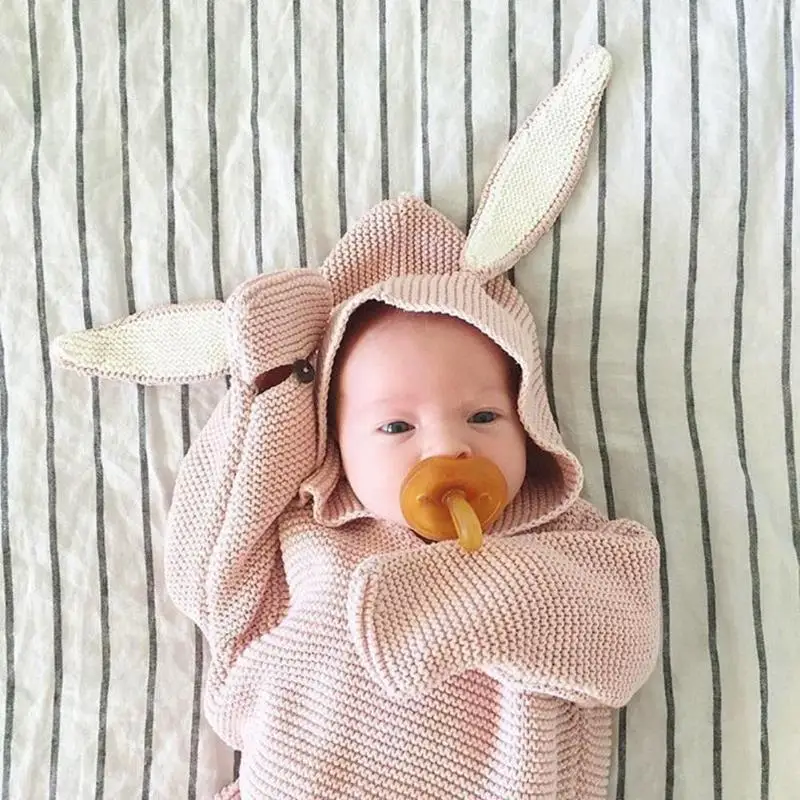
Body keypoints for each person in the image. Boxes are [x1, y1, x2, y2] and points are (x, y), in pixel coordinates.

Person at [55, 46, 660, 799]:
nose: (449, 445)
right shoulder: (303, 539)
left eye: (483, 415)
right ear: (334, 442)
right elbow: (204, 571)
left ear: (529, 419)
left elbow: (620, 645)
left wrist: (449, 602)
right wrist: (273, 390)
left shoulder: (569, 548)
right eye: (395, 427)